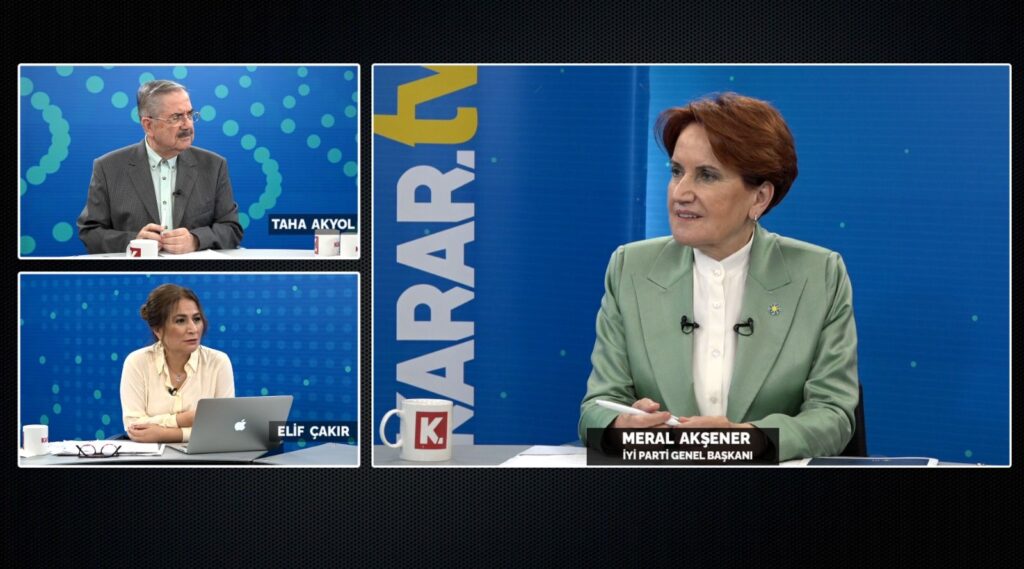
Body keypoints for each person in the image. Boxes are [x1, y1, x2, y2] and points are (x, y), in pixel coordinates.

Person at [579, 93, 859, 461]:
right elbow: (597, 406)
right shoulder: (630, 268)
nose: (681, 193)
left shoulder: (819, 275)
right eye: (676, 171)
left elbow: (833, 415)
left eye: (707, 175)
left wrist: (747, 440)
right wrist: (621, 426)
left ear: (759, 198)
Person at [77, 79, 243, 254]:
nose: (188, 124)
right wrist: (133, 241)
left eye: (190, 114)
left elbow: (231, 229)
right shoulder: (108, 168)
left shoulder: (214, 166)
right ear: (148, 125)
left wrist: (196, 240)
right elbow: (90, 232)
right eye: (176, 117)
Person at [121, 284, 234, 443]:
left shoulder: (218, 362)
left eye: (197, 319)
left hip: (202, 454)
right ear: (157, 329)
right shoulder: (137, 362)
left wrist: (165, 434)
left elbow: (224, 426)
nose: (193, 329)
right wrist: (184, 419)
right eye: (180, 321)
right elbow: (134, 425)